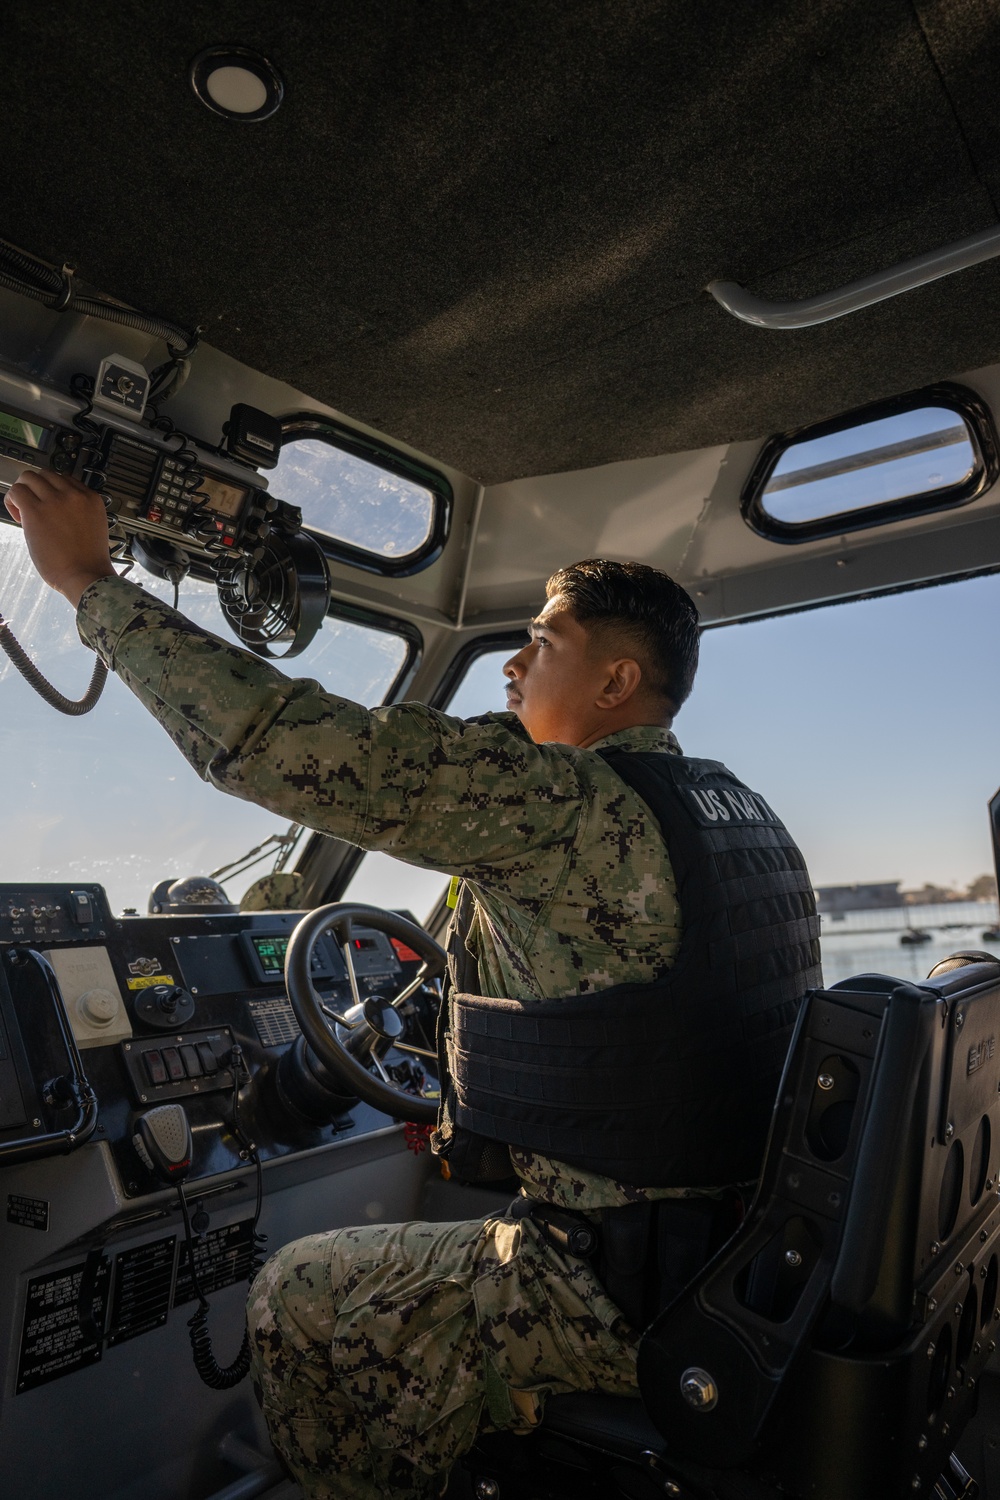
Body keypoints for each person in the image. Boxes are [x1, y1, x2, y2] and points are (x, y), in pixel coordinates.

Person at [5, 468, 820, 1499]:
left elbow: (282, 746)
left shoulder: (565, 803)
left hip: (610, 1293)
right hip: (741, 1266)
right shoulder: (735, 817)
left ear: (616, 684)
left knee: (301, 1288)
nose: (513, 668)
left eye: (544, 643)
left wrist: (87, 584)